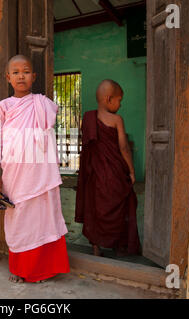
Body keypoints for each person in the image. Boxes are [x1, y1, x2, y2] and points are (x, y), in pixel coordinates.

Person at [0, 55, 70, 283]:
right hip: (14, 172)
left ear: (33, 77)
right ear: (8, 77)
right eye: (15, 72)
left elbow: (47, 128)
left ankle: (42, 269)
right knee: (19, 217)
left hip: (39, 173)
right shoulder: (3, 106)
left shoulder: (41, 103)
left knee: (41, 217)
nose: (21, 75)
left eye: (25, 71)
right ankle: (19, 268)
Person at [75, 79, 141, 257]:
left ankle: (96, 247)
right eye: (119, 100)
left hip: (95, 174)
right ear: (108, 99)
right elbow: (123, 147)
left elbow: (88, 147)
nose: (120, 105)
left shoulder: (88, 118)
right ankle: (119, 245)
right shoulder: (117, 120)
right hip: (115, 174)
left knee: (95, 208)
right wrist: (131, 171)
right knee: (120, 205)